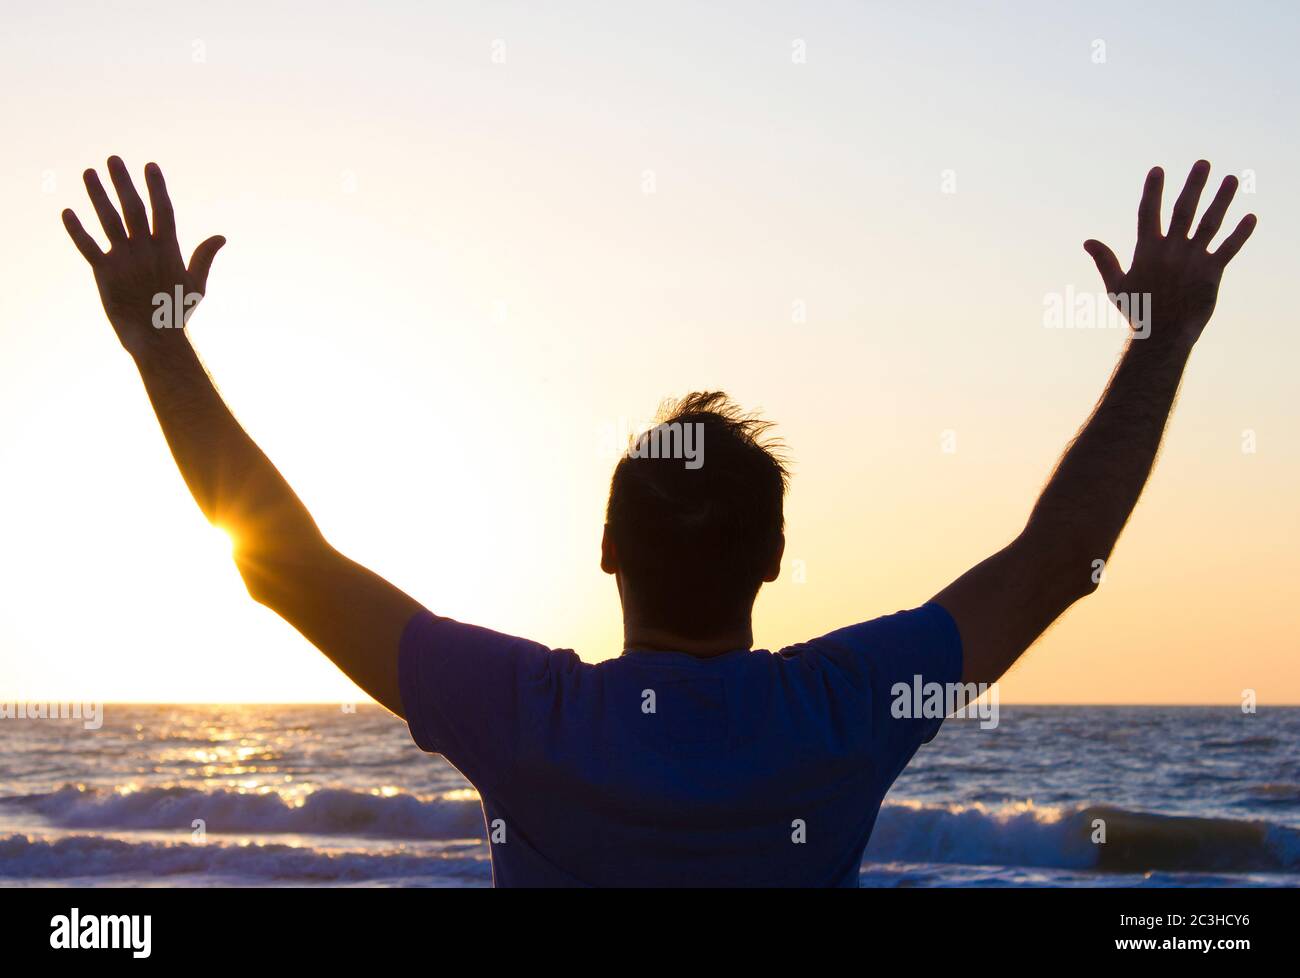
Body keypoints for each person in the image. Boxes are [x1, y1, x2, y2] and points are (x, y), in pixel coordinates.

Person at [62, 157, 1255, 886]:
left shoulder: (524, 717)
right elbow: (1059, 561)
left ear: (606, 552)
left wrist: (158, 340)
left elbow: (288, 569)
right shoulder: (847, 707)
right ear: (776, 557)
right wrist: (1163, 339)